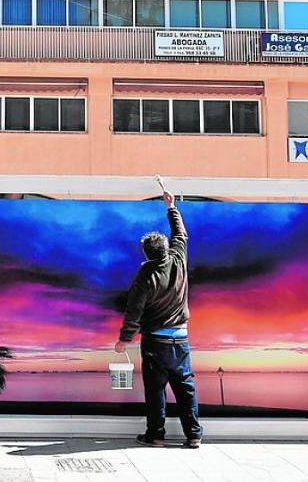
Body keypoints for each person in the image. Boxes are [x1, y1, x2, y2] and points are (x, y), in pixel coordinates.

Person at [114, 191, 203, 449]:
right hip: (181, 339)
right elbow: (180, 234)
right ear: (165, 249)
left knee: (155, 391)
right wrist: (171, 207)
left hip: (155, 342)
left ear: (145, 253)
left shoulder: (145, 275)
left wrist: (124, 340)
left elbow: (134, 311)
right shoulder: (179, 259)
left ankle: (156, 435)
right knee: (185, 387)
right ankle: (193, 435)